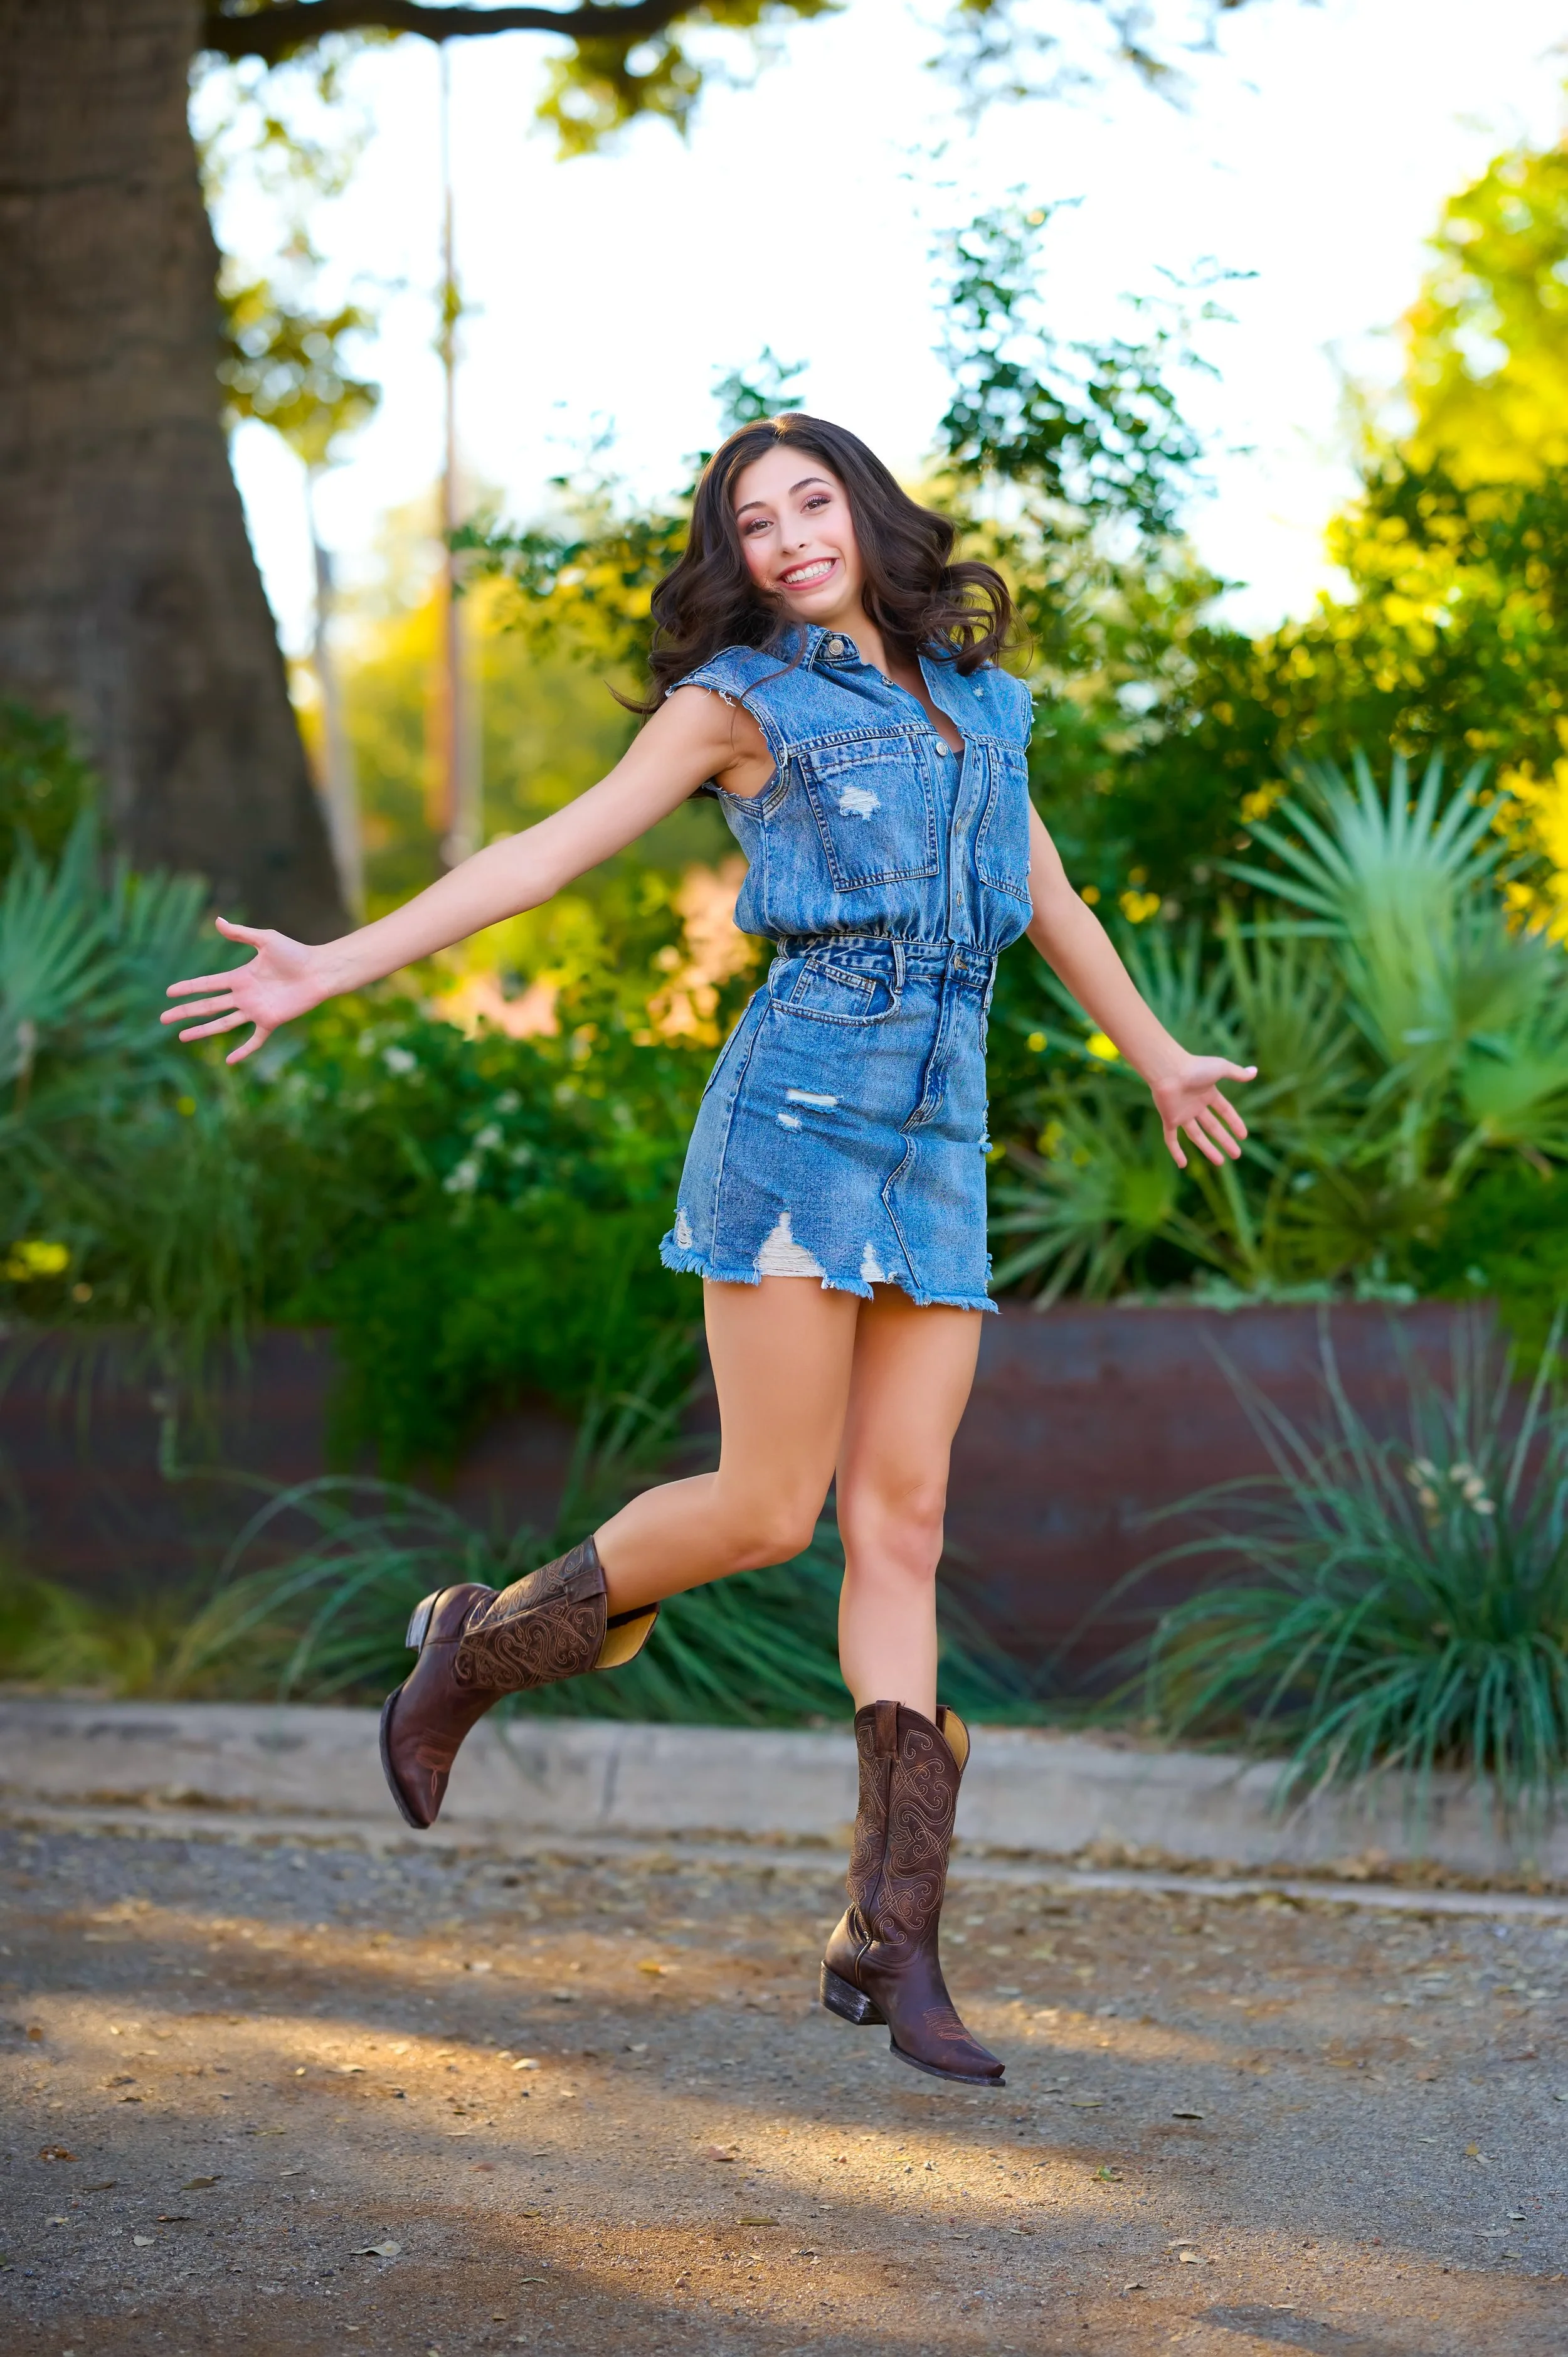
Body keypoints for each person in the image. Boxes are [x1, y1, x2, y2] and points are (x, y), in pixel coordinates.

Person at [164, 413, 1256, 2088]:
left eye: (814, 501)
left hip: (937, 1148)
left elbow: (1047, 899)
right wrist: (335, 963)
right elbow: (540, 855)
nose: (792, 536)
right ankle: (478, 1646)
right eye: (756, 521)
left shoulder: (981, 706)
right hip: (793, 1126)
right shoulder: (737, 705)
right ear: (735, 555)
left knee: (904, 1520)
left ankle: (894, 1938)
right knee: (765, 1509)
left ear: (867, 514)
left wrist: (1159, 1054)